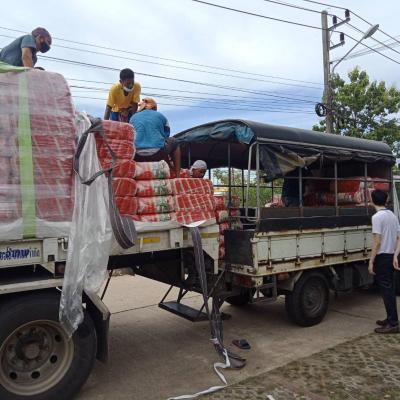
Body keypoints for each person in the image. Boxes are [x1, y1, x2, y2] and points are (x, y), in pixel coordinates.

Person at [368, 189, 400, 334]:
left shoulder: (377, 217)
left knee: (386, 290)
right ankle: (391, 318)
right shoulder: (392, 215)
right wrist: (395, 255)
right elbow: (399, 237)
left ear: (372, 200)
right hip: (390, 256)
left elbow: (377, 241)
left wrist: (371, 261)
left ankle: (393, 323)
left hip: (382, 257)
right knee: (389, 289)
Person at [130, 97, 180, 176]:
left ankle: (170, 168)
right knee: (174, 141)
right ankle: (177, 175)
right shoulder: (161, 116)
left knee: (161, 143)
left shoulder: (132, 118)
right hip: (157, 154)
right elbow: (166, 136)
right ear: (153, 107)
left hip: (137, 155)